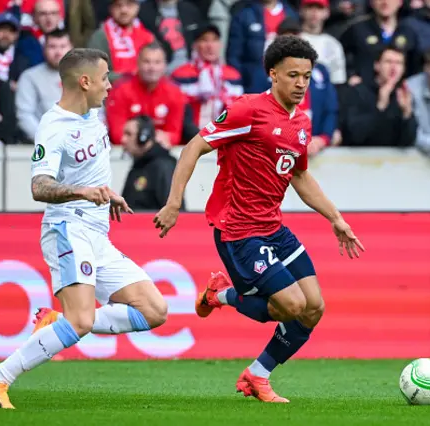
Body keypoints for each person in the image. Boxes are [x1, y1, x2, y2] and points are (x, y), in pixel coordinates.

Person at [153, 35, 364, 403]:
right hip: (238, 230)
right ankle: (220, 295)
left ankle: (256, 375)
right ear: (273, 74)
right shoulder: (247, 110)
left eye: (307, 76)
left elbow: (299, 176)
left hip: (273, 227)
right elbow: (193, 147)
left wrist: (335, 218)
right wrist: (174, 204)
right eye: (293, 75)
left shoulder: (302, 123)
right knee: (291, 306)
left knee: (314, 308)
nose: (301, 84)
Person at [0, 48, 168, 409]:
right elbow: (39, 187)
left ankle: (56, 321)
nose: (110, 86)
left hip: (97, 232)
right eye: (105, 78)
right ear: (85, 81)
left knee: (154, 310)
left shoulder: (94, 115)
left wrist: (106, 194)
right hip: (68, 228)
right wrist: (81, 192)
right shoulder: (54, 127)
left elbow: (88, 169)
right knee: (80, 322)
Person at [120, 115, 181, 210]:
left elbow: (171, 211)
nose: (123, 140)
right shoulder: (139, 165)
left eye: (129, 134)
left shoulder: (164, 166)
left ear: (143, 137)